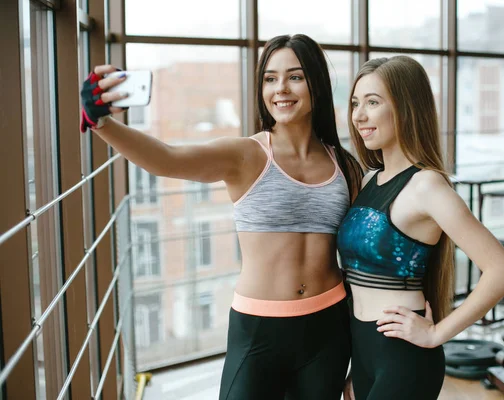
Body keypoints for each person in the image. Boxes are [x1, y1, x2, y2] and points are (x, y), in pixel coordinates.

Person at [79, 34, 363, 400]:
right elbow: (167, 160)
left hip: (329, 327)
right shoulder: (246, 154)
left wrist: (363, 361)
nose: (281, 89)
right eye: (270, 78)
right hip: (259, 331)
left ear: (317, 85)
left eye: (295, 76)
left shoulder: (345, 166)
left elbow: (359, 264)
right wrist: (101, 123)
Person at [337, 56, 504, 400]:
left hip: (404, 356)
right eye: (355, 103)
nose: (358, 115)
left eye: (373, 103)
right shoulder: (368, 179)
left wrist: (437, 334)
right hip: (362, 348)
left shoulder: (427, 186)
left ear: (406, 108)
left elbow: (502, 271)